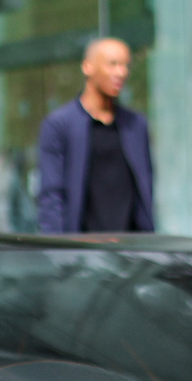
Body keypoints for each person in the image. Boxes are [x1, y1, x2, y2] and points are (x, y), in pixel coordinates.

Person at [35, 37, 155, 234]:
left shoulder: (136, 126)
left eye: (126, 65)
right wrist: (57, 252)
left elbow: (145, 192)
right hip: (82, 253)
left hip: (131, 252)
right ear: (87, 67)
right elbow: (50, 197)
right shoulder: (59, 125)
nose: (122, 72)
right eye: (113, 64)